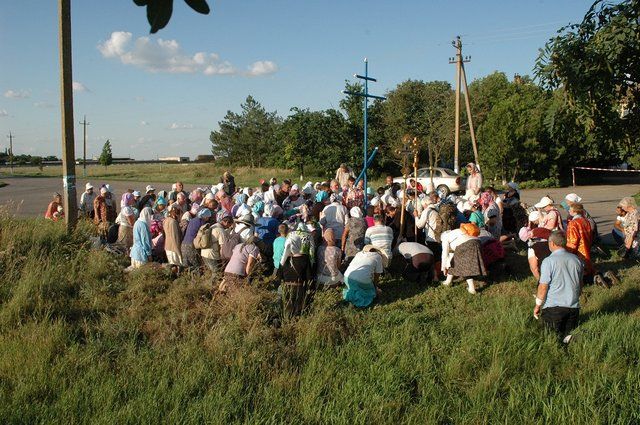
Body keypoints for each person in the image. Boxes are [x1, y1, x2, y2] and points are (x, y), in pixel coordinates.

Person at [533, 230, 583, 344]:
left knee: (550, 338)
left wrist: (538, 305)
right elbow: (580, 285)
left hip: (554, 309)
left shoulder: (548, 261)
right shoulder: (577, 260)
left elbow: (543, 287)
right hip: (573, 309)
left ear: (552, 244)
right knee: (567, 337)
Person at [441, 222, 487, 294]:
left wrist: (443, 268)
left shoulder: (445, 238)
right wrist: (447, 265)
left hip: (465, 245)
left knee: (465, 267)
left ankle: (472, 289)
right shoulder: (456, 231)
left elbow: (444, 254)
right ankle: (448, 281)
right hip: (477, 242)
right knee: (454, 262)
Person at [201, 211, 234, 282]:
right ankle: (209, 288)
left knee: (212, 272)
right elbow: (223, 247)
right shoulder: (221, 231)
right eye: (229, 224)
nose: (229, 226)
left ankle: (206, 285)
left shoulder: (214, 225)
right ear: (226, 222)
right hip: (211, 255)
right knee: (217, 273)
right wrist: (223, 259)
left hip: (204, 252)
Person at [565, 203, 595, 279]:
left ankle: (584, 278)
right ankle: (591, 275)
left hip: (579, 249)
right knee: (587, 262)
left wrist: (569, 251)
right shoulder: (585, 220)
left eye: (570, 209)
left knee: (580, 266)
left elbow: (573, 240)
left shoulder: (573, 223)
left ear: (575, 212)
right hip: (587, 244)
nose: (568, 210)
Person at [519, 211, 552, 280]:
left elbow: (523, 237)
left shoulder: (531, 230)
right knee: (539, 266)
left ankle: (541, 281)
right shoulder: (548, 226)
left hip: (538, 247)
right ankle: (542, 281)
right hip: (545, 247)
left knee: (536, 267)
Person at [163, 203, 183, 269]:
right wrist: (179, 251)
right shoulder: (173, 222)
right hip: (174, 248)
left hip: (168, 247)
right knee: (176, 268)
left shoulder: (166, 220)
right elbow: (175, 238)